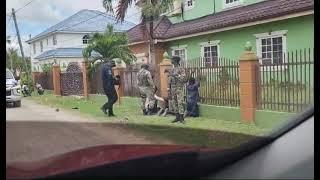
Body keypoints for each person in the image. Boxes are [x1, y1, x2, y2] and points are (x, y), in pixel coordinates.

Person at [167, 56, 187, 123]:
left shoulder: (181, 69)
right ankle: (177, 117)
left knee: (180, 102)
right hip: (173, 88)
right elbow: (169, 80)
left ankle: (182, 118)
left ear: (175, 60)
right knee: (174, 103)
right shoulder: (172, 69)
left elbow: (182, 79)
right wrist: (168, 88)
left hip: (179, 88)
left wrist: (175, 75)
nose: (171, 60)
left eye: (172, 59)